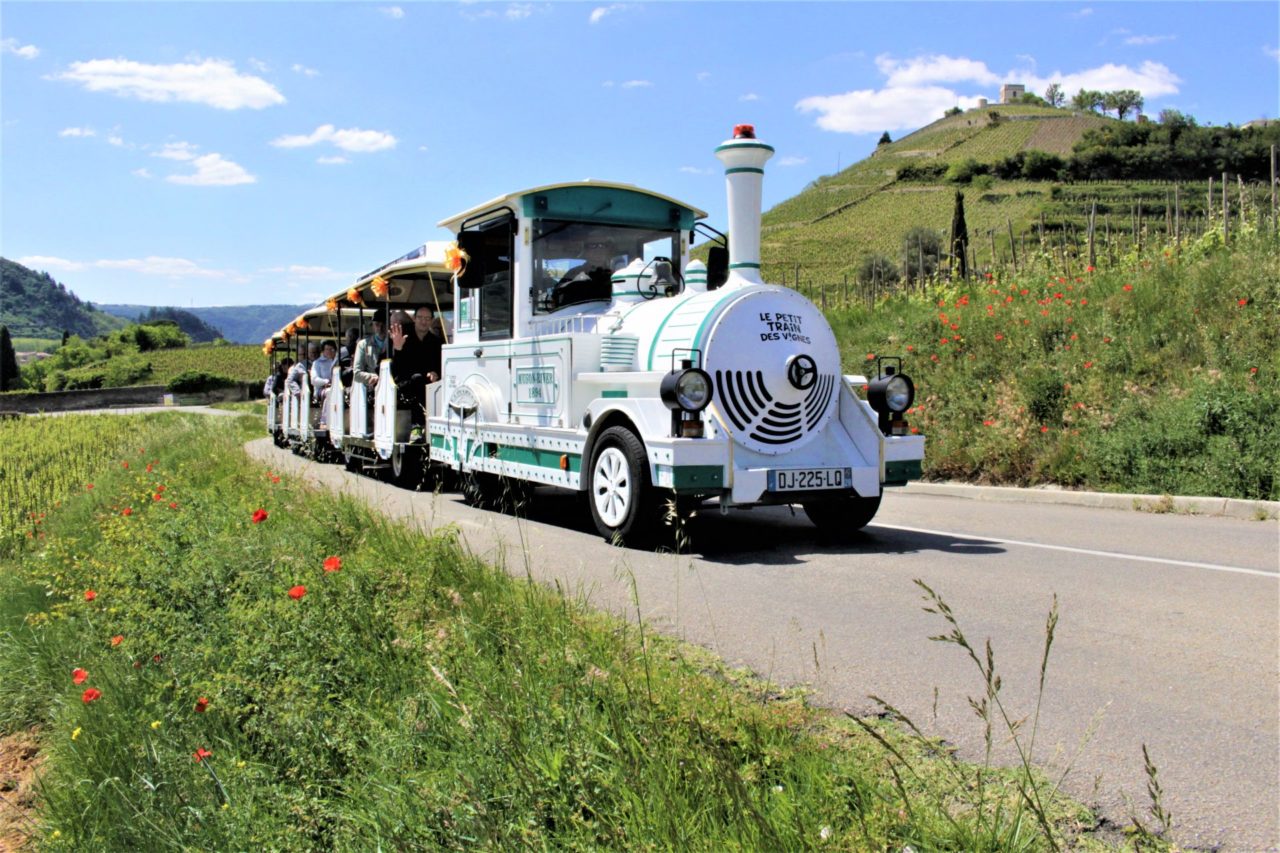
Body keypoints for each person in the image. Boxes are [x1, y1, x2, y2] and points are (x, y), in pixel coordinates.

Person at [390, 307, 443, 435]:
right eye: (420, 318)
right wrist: (397, 348)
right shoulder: (401, 335)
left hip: (426, 383)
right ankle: (417, 426)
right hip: (402, 383)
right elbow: (392, 368)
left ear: (431, 321)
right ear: (414, 319)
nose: (423, 322)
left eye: (427, 319)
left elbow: (440, 365)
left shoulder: (435, 341)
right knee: (417, 379)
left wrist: (436, 373)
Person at [352, 308, 388, 389]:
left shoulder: (394, 342)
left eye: (384, 324)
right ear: (373, 326)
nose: (380, 328)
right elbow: (357, 373)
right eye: (377, 324)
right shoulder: (363, 345)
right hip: (371, 387)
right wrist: (373, 377)